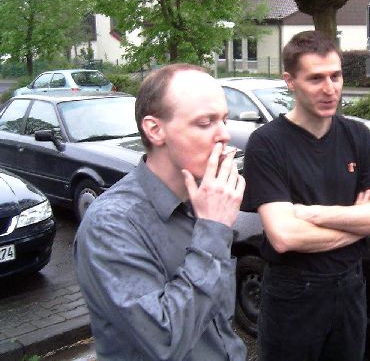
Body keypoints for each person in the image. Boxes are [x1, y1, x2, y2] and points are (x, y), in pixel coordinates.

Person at [241, 31, 370, 361]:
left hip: (351, 287)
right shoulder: (267, 143)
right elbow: (285, 236)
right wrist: (360, 226)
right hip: (293, 292)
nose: (330, 89)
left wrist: (313, 214)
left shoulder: (359, 136)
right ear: (290, 81)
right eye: (316, 78)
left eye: (335, 76)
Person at [74, 63, 247, 361]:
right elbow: (165, 341)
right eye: (205, 122)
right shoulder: (110, 225)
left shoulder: (204, 201)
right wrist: (213, 230)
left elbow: (218, 321)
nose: (224, 135)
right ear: (155, 130)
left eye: (224, 120)